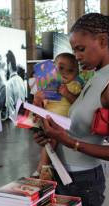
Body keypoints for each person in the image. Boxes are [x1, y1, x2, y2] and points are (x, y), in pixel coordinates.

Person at [33, 13, 109, 206]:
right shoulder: (95, 77)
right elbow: (77, 127)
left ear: (103, 41)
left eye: (81, 48)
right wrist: (49, 132)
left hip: (84, 182)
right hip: (63, 174)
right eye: (74, 49)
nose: (76, 56)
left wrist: (68, 141)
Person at [32, 53, 84, 181]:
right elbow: (39, 109)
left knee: (52, 140)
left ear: (76, 73)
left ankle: (42, 168)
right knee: (47, 139)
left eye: (70, 70)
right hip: (48, 119)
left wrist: (67, 93)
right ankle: (44, 168)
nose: (64, 73)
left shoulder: (74, 85)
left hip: (63, 122)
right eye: (60, 68)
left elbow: (79, 104)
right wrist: (37, 100)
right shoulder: (48, 88)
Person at [5, 50, 26, 120]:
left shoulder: (9, 83)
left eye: (6, 65)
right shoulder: (21, 80)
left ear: (9, 64)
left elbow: (10, 110)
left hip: (15, 122)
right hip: (23, 118)